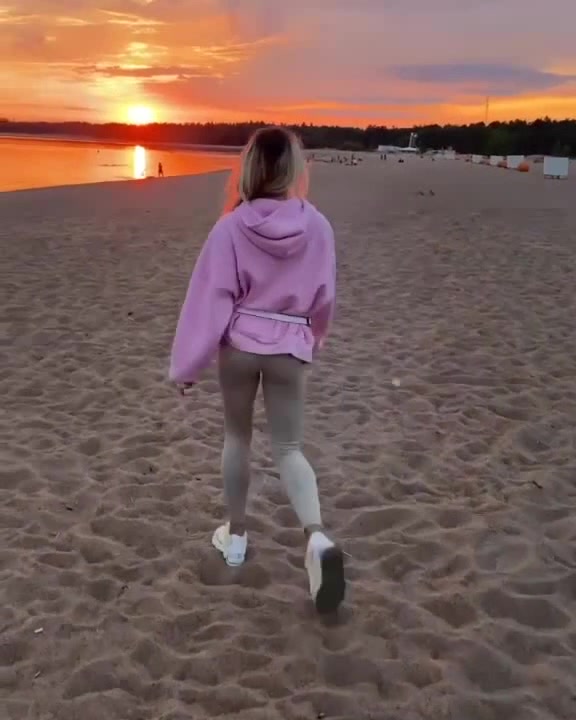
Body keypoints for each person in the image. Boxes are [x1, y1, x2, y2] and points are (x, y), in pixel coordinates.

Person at [169, 126, 345, 614]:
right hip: (290, 344)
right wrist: (313, 337)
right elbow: (324, 297)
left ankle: (236, 537)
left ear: (249, 167)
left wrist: (188, 364)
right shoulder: (318, 227)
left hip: (240, 343)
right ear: (294, 168)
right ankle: (316, 537)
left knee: (237, 437)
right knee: (289, 448)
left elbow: (210, 299)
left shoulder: (230, 227)